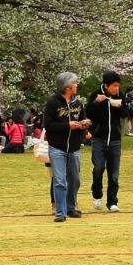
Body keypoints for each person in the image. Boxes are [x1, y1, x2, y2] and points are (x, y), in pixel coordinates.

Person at [43, 72, 91, 222]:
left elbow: (82, 119)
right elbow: (48, 125)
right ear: (67, 86)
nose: (77, 86)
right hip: (57, 147)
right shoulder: (52, 103)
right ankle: (60, 212)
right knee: (59, 180)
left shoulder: (78, 103)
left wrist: (85, 128)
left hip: (75, 147)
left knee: (75, 179)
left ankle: (71, 207)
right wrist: (67, 125)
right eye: (75, 83)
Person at [86, 70, 130, 212]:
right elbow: (89, 114)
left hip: (115, 140)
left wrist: (121, 106)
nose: (117, 88)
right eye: (114, 86)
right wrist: (96, 103)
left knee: (114, 173)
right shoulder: (96, 94)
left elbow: (125, 115)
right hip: (99, 138)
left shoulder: (120, 96)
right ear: (106, 85)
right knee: (98, 168)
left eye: (118, 86)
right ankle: (97, 194)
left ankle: (112, 202)